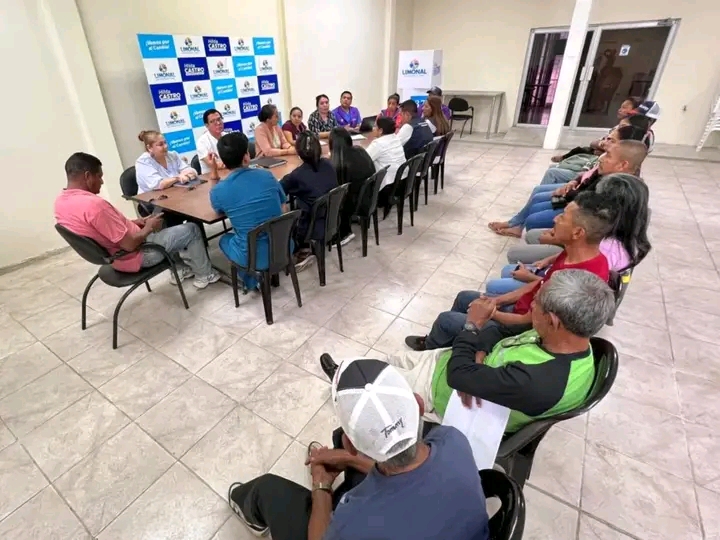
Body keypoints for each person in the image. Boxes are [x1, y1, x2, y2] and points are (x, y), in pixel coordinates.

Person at [227, 358, 490, 540]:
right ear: (419, 405)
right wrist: (348, 459)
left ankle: (248, 507)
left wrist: (321, 486)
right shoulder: (453, 439)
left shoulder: (355, 521)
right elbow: (407, 472)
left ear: (352, 445)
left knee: (268, 489)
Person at [320, 270, 614, 432]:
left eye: (536, 303)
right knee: (395, 360)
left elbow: (458, 376)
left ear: (553, 320)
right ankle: (359, 369)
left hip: (444, 392)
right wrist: (479, 357)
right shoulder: (568, 339)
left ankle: (343, 379)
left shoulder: (539, 381)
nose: (530, 307)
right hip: (457, 365)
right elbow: (498, 331)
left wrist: (472, 327)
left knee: (374, 380)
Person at [406, 191, 615, 351]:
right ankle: (454, 343)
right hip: (519, 310)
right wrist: (499, 300)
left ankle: (433, 350)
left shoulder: (582, 277)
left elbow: (529, 322)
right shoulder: (575, 253)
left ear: (578, 232)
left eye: (562, 217)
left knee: (446, 320)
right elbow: (539, 283)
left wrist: (490, 314)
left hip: (520, 330)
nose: (555, 219)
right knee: (464, 298)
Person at [55, 152, 220, 288]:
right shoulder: (94, 206)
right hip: (137, 255)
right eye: (99, 176)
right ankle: (205, 275)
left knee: (163, 220)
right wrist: (148, 227)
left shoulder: (61, 202)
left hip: (115, 257)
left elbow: (103, 229)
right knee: (191, 229)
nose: (102, 182)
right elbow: (129, 244)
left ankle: (180, 269)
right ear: (87, 176)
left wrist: (136, 223)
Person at [488, 131, 648, 237]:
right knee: (538, 198)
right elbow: (585, 182)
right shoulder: (607, 170)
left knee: (534, 217)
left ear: (623, 164)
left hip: (577, 210)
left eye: (610, 142)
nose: (602, 157)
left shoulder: (618, 187)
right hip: (574, 198)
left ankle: (537, 235)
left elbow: (587, 206)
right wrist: (572, 183)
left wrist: (564, 197)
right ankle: (517, 225)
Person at [506, 173, 652, 273]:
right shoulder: (621, 229)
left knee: (510, 264)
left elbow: (566, 286)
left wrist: (557, 239)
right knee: (533, 236)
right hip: (562, 266)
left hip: (557, 286)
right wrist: (550, 258)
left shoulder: (605, 250)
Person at [209, 132, 287, 291]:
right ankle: (259, 278)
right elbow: (283, 205)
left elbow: (217, 208)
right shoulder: (267, 175)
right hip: (283, 246)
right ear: (246, 157)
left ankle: (253, 281)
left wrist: (214, 174)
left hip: (253, 256)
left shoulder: (220, 190)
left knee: (224, 240)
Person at [280, 131, 338, 270]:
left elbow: (279, 189)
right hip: (333, 220)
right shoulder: (328, 164)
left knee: (284, 215)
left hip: (311, 227)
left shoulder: (297, 176)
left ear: (298, 152)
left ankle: (302, 250)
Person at [329, 128, 376, 245]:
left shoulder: (341, 163)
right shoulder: (360, 151)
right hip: (369, 197)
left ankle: (344, 233)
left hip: (355, 204)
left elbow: (338, 188)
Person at [365, 116, 407, 192]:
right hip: (402, 180)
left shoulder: (378, 143)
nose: (373, 128)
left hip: (388, 186)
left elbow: (364, 159)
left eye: (375, 126)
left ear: (380, 131)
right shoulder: (395, 138)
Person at [196, 108, 227, 174]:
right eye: (213, 121)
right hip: (211, 177)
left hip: (229, 173)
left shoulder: (227, 136)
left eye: (219, 119)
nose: (218, 123)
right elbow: (217, 165)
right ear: (207, 126)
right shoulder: (202, 142)